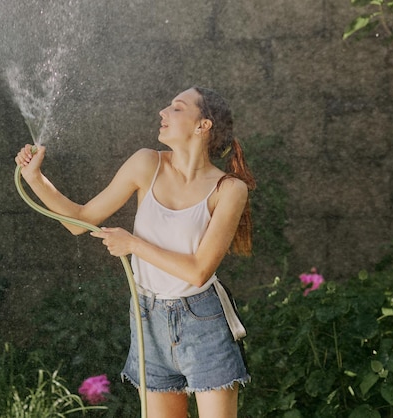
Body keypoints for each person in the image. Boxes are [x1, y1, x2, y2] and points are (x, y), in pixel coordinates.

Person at [15, 87, 255, 418]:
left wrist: (134, 245)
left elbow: (199, 270)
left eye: (177, 108)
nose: (163, 112)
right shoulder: (146, 163)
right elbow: (79, 222)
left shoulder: (229, 189)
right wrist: (35, 178)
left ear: (203, 125)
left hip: (203, 322)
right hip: (148, 318)